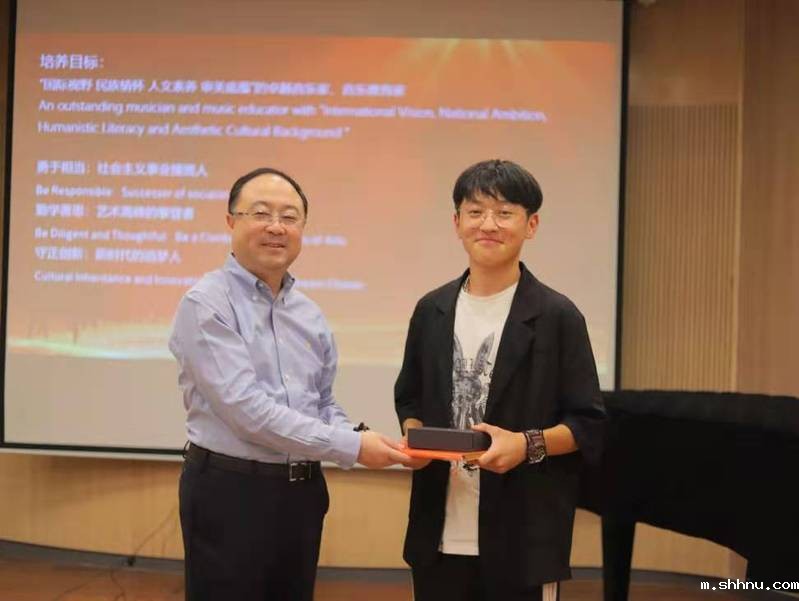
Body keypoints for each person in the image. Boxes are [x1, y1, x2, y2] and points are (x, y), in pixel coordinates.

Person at [169, 167, 409, 601]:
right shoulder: (206, 304)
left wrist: (359, 435)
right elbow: (248, 413)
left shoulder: (308, 314)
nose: (276, 227)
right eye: (261, 213)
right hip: (231, 493)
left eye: (290, 217)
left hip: (301, 494)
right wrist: (353, 447)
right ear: (231, 221)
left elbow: (321, 402)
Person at [395, 159, 607, 601]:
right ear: (457, 222)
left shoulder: (558, 316)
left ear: (531, 225)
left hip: (523, 539)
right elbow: (410, 399)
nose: (488, 224)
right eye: (475, 212)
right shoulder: (431, 310)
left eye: (504, 212)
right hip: (437, 536)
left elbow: (588, 424)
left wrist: (525, 445)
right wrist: (414, 441)